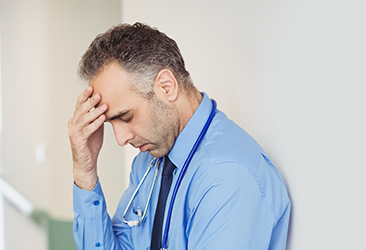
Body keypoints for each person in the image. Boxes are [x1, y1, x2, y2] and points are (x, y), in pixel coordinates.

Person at [68, 23, 291, 250]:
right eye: (110, 123)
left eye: (126, 117)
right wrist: (84, 172)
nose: (121, 139)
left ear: (166, 87)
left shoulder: (226, 177)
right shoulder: (150, 160)